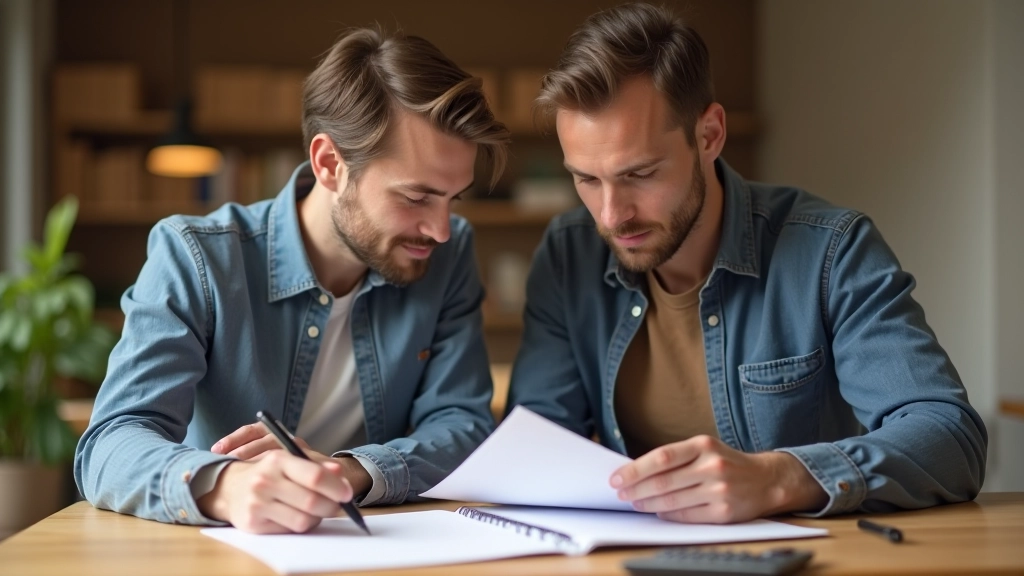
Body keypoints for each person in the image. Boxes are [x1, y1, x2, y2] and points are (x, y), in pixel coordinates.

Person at [507, 3, 987, 523]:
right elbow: (537, 444)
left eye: (640, 174)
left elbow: (950, 436)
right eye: (586, 179)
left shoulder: (831, 250)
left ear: (709, 134)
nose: (611, 215)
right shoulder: (569, 252)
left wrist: (779, 478)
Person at [75, 26, 510, 534]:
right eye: (416, 198)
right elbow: (111, 441)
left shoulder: (449, 253)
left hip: (373, 549)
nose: (440, 229)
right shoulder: (196, 256)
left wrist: (344, 472)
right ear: (329, 164)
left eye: (453, 198)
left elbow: (463, 425)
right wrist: (226, 487)